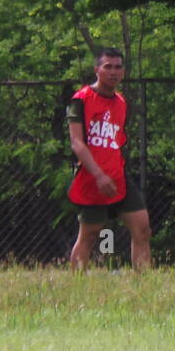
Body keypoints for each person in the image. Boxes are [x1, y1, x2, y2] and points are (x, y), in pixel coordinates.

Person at [66, 48, 151, 270]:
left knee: (142, 228)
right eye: (108, 67)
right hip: (92, 177)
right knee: (90, 235)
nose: (113, 72)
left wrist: (112, 172)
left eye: (118, 67)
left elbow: (117, 141)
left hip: (117, 175)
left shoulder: (121, 102)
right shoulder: (80, 100)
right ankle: (75, 287)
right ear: (97, 70)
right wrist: (99, 175)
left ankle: (146, 284)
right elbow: (77, 142)